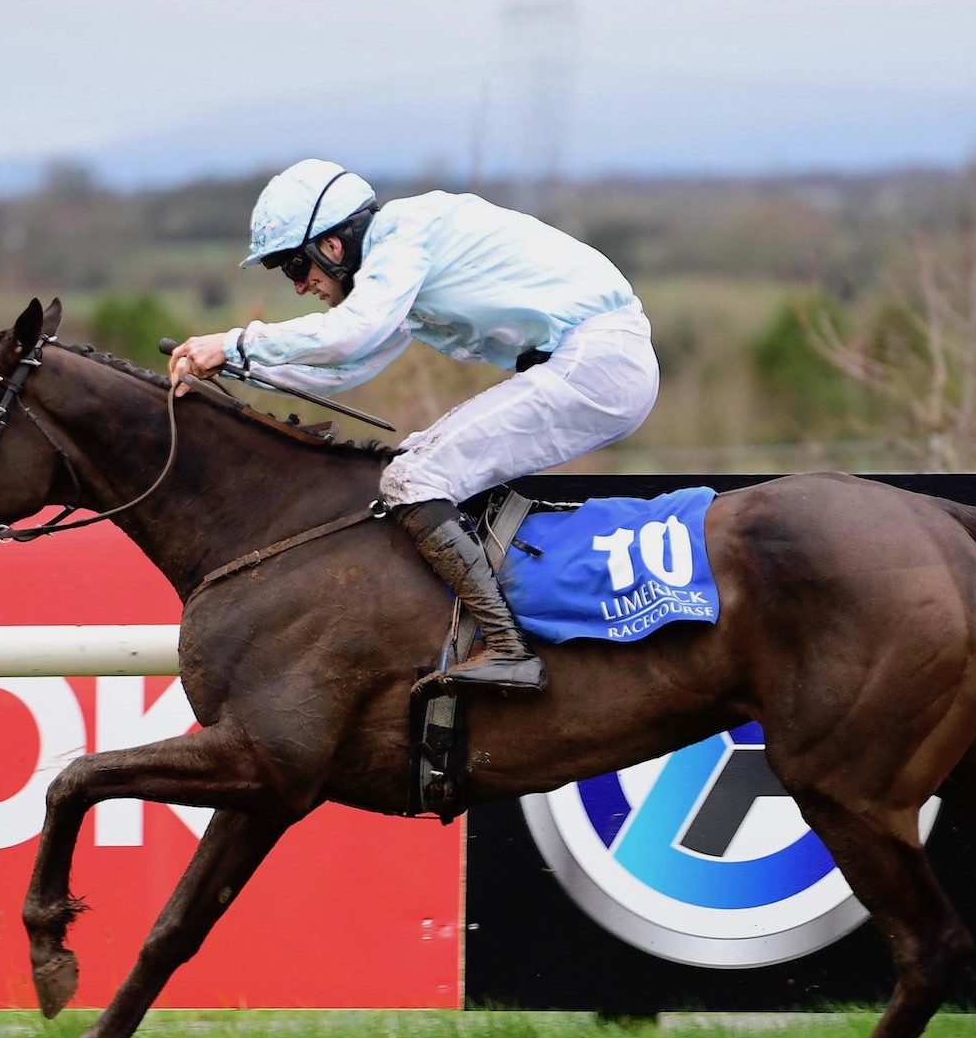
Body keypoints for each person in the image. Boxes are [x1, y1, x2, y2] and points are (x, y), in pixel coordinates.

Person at [169, 158, 659, 694]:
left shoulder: (405, 235)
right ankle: (487, 629)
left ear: (331, 246)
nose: (301, 287)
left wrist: (237, 343)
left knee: (415, 477)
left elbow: (347, 338)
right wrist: (231, 370)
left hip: (598, 361)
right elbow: (341, 371)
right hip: (589, 363)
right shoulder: (397, 266)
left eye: (293, 267)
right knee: (412, 466)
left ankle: (508, 647)